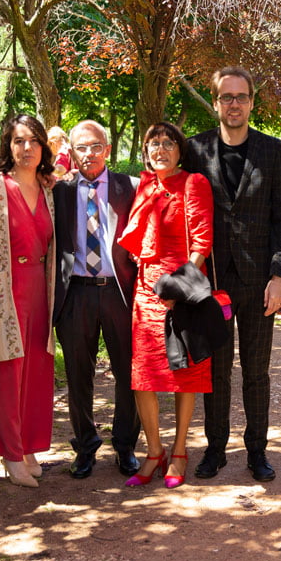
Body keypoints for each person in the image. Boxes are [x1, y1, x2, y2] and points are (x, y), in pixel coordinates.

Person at [183, 66, 281, 482]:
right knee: (216, 371)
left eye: (241, 96)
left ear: (252, 101)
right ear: (215, 102)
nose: (234, 104)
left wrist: (280, 276)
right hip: (212, 284)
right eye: (226, 97)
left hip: (260, 282)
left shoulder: (273, 151)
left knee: (256, 372)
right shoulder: (194, 151)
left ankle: (257, 452)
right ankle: (215, 449)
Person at [117, 122, 214, 488]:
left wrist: (181, 288)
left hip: (180, 291)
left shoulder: (193, 184)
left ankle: (179, 451)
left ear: (180, 150)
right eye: (153, 143)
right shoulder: (144, 185)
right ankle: (153, 450)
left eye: (168, 143)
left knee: (183, 373)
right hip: (145, 293)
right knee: (143, 378)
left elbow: (202, 241)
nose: (160, 149)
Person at [0, 115, 56, 488]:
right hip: (2, 289)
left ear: (43, 148)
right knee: (7, 371)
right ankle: (10, 452)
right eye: (18, 141)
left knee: (36, 369)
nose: (26, 149)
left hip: (41, 288)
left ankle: (30, 445)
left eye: (34, 141)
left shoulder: (49, 188)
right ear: (7, 146)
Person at [53, 121, 140, 479]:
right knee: (78, 374)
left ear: (107, 148)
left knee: (126, 372)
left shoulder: (129, 187)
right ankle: (85, 446)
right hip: (76, 292)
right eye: (81, 147)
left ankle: (125, 447)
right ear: (71, 152)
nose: (88, 154)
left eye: (95, 146)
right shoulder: (59, 190)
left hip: (118, 291)